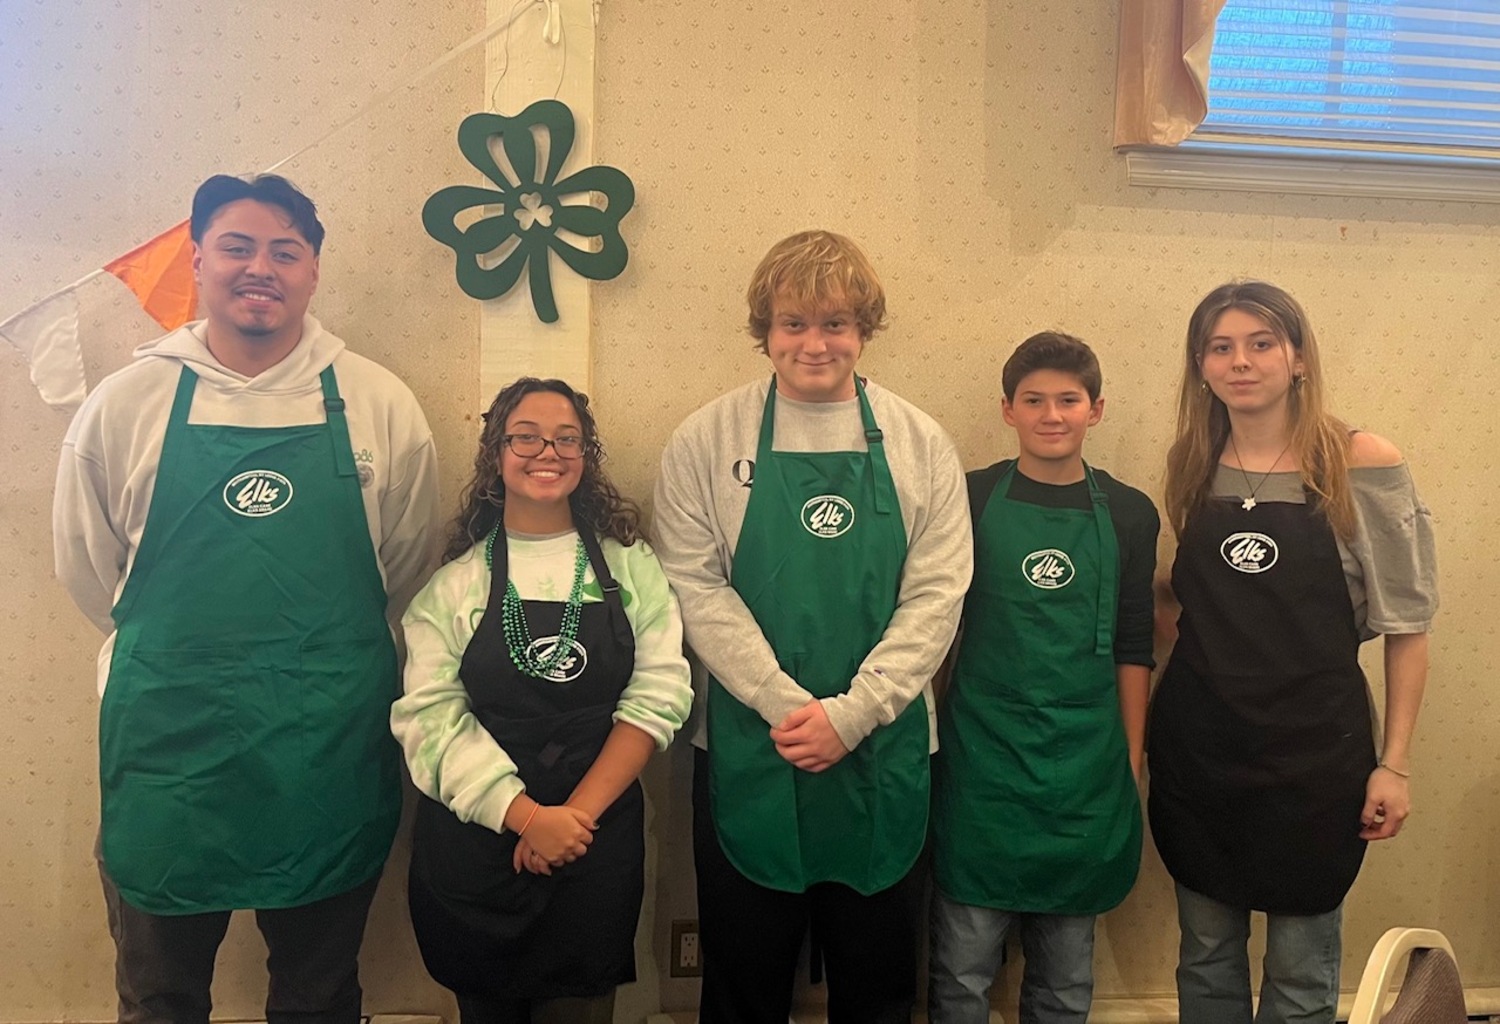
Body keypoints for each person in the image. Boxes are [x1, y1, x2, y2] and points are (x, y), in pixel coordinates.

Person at [52, 173, 440, 1022]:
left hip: (325, 748)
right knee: (161, 996)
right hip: (170, 752)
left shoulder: (379, 403)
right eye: (237, 246)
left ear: (312, 273)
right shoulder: (127, 404)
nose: (259, 267)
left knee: (319, 994)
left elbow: (405, 564)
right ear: (197, 260)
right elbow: (94, 574)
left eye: (284, 250)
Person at [653, 229, 973, 1023]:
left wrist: (853, 712)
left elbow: (937, 594)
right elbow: (694, 586)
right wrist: (783, 703)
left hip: (886, 746)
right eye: (794, 323)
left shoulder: (919, 442)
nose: (815, 343)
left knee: (880, 982)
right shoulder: (706, 439)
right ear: (764, 330)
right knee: (742, 978)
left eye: (835, 323)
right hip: (750, 745)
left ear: (864, 330)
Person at [1149, 281, 1437, 1024]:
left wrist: (1395, 764)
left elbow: (1408, 625)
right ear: (1201, 366)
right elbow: (1188, 605)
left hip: (1316, 758)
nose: (1240, 362)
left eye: (1261, 343)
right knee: (1205, 959)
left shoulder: (1359, 460)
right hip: (1202, 752)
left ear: (1299, 357)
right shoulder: (1191, 461)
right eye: (1221, 347)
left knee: (1303, 972)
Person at [391, 377, 692, 1024]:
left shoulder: (630, 569)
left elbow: (660, 692)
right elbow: (429, 720)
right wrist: (527, 817)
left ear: (586, 457)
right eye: (524, 436)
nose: (546, 451)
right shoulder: (456, 584)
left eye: (566, 439)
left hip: (594, 840)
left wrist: (570, 820)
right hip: (478, 845)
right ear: (495, 453)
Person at [927, 332, 1158, 1024]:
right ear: (1007, 410)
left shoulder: (1129, 512)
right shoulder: (967, 498)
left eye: (1068, 399)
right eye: (1034, 400)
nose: (1051, 414)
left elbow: (1135, 643)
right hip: (981, 761)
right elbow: (935, 631)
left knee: (1064, 981)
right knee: (961, 971)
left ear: (1097, 409)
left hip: (1085, 769)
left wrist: (1131, 757)